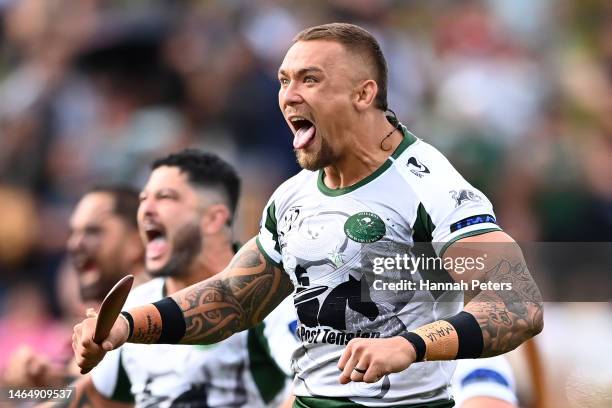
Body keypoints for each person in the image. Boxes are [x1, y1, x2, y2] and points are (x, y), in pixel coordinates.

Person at [73, 23, 544, 408]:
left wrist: (411, 345)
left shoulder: (431, 188)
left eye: (309, 80)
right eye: (283, 80)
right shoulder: (291, 196)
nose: (288, 96)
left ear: (364, 94)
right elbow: (236, 299)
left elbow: (519, 304)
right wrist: (128, 326)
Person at [67, 149, 297, 407]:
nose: (145, 210)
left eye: (165, 197)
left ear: (213, 218)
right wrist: (21, 391)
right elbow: (94, 398)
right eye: (144, 199)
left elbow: (310, 385)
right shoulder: (136, 303)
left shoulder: (266, 295)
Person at [2, 185, 144, 389]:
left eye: (93, 231)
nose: (74, 244)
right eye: (73, 232)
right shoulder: (91, 332)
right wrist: (50, 380)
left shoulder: (154, 320)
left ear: (136, 242)